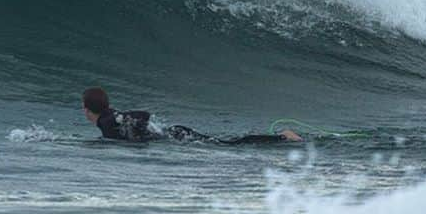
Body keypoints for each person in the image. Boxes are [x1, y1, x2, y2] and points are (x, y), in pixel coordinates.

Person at [81, 86, 302, 145]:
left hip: (176, 137)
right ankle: (282, 137)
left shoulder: (108, 122)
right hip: (175, 133)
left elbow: (142, 115)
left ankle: (283, 137)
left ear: (86, 109)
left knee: (229, 145)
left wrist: (135, 138)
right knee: (226, 143)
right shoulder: (109, 117)